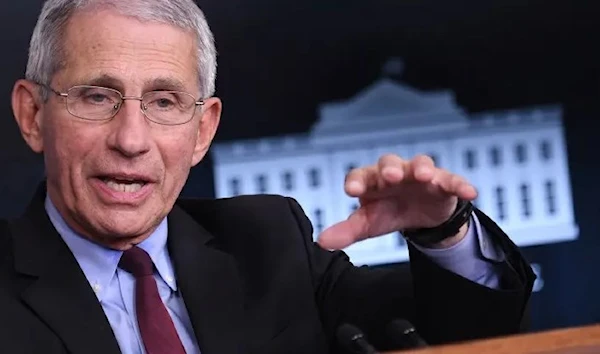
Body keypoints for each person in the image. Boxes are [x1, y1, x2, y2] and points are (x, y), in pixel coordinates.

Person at [0, 0, 535, 353]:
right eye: (98, 97)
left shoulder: (267, 240)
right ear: (32, 115)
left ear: (203, 130)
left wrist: (444, 233)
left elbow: (460, 337)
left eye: (165, 101)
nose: (132, 139)